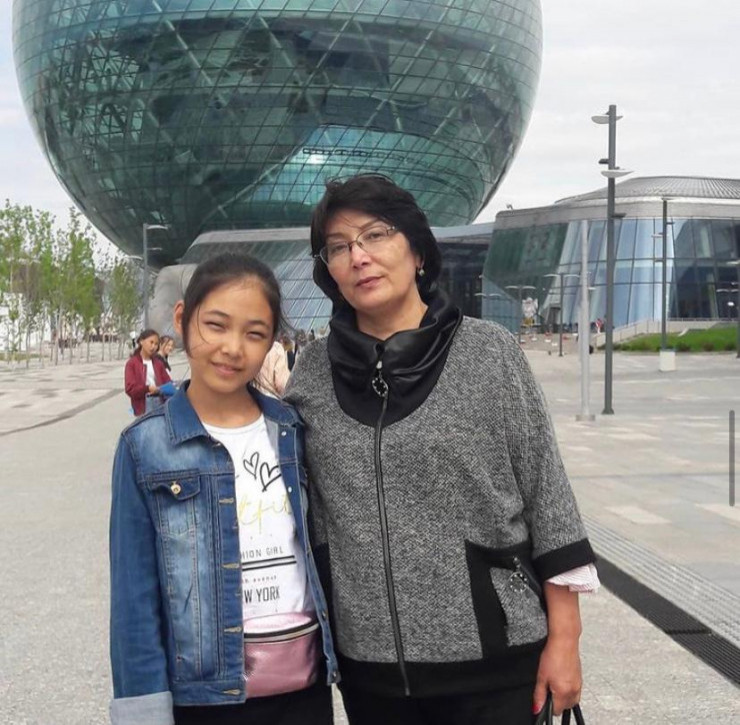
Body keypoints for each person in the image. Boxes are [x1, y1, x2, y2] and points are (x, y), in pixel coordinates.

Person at [285, 175, 598, 724]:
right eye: (338, 246)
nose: (359, 257)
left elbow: (547, 496)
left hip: (495, 668)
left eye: (376, 235)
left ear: (418, 251)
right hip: (371, 677)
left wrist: (565, 641)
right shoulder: (310, 373)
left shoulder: (489, 353)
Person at [110, 253, 338, 725]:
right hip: (204, 702)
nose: (233, 348)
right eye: (215, 325)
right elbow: (134, 601)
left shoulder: (291, 430)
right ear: (181, 319)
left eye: (254, 334)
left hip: (302, 692)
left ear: (272, 342)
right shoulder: (144, 447)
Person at [124, 329, 172, 415]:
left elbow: (168, 382)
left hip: (160, 404)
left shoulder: (158, 363)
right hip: (142, 406)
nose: (153, 346)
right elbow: (130, 389)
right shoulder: (132, 363)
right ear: (141, 341)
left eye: (156, 344)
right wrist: (147, 389)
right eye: (151, 342)